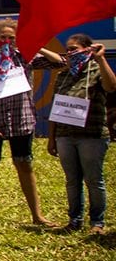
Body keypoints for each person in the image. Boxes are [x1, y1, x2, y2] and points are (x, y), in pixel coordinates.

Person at [0, 20, 53, 225]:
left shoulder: (24, 58)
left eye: (11, 38)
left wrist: (34, 46)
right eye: (3, 37)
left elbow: (59, 62)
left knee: (24, 164)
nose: (6, 41)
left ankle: (37, 215)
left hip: (21, 120)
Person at [36, 35, 116, 233]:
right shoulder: (63, 76)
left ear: (87, 50)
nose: (70, 52)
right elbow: (56, 108)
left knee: (93, 180)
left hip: (92, 135)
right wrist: (52, 138)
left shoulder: (96, 70)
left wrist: (101, 59)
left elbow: (111, 86)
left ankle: (97, 222)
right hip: (65, 135)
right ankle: (74, 220)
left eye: (74, 49)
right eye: (68, 49)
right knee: (72, 180)